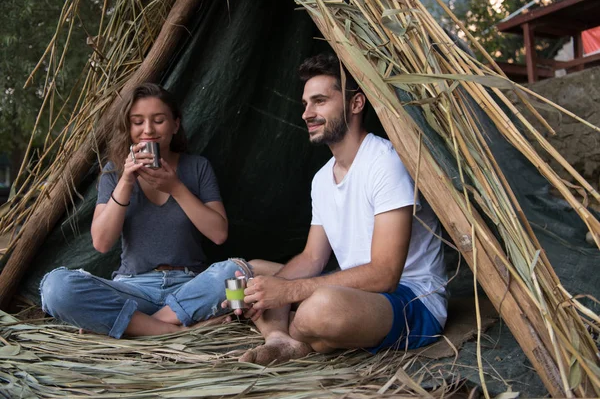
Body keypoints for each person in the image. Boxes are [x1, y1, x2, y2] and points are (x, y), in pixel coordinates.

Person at [231, 53, 448, 365]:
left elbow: (385, 275)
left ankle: (297, 331)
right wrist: (266, 291)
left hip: (410, 300)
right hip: (354, 290)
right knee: (253, 272)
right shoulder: (322, 179)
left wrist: (288, 293)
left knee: (319, 308)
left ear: (356, 104)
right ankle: (280, 339)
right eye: (305, 104)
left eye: (319, 101)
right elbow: (312, 258)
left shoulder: (385, 162)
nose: (307, 113)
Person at [39, 82, 275, 338]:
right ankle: (177, 330)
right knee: (56, 288)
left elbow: (219, 234)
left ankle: (135, 326)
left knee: (235, 273)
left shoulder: (197, 168)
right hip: (133, 289)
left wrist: (175, 187)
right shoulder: (114, 173)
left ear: (175, 124)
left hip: (192, 286)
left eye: (158, 120)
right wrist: (127, 180)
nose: (148, 130)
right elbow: (102, 243)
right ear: (128, 128)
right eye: (137, 122)